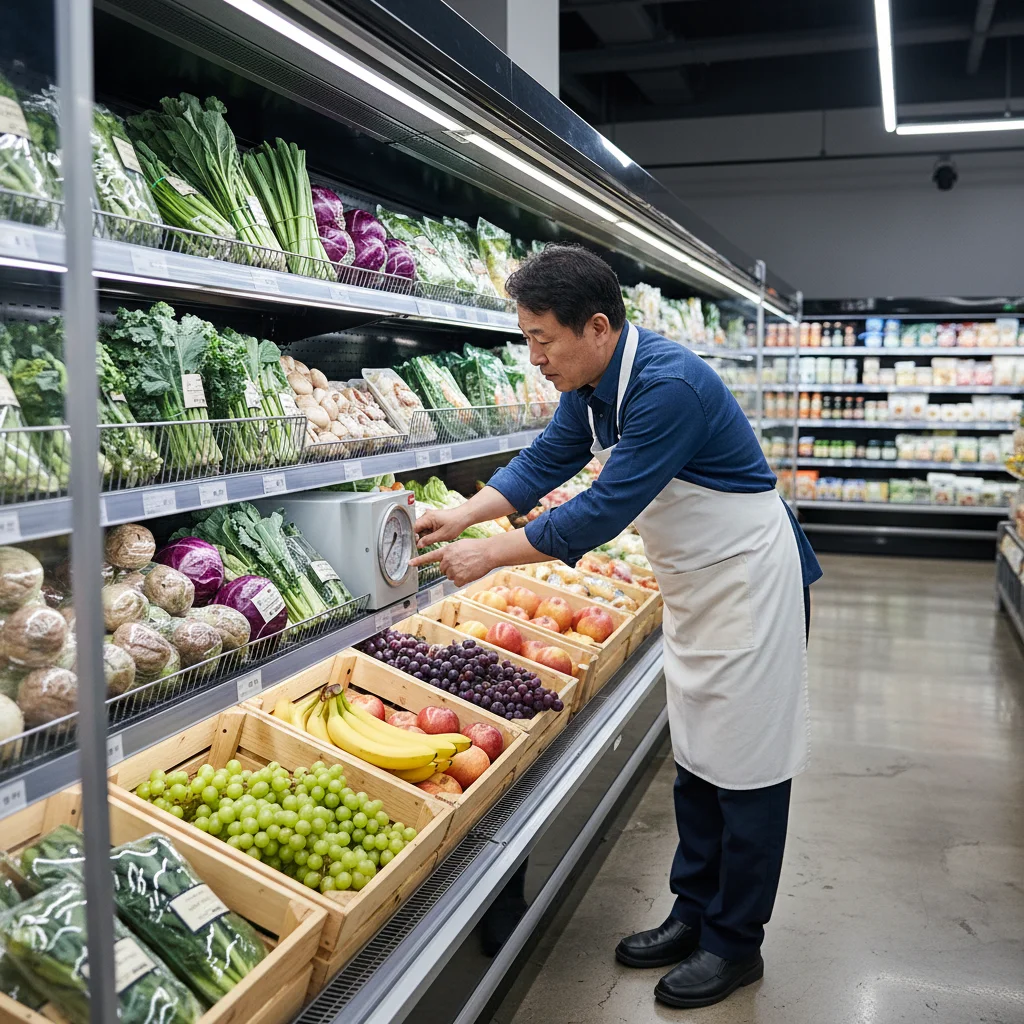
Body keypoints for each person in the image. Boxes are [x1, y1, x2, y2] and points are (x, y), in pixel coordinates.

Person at [410, 244, 821, 1009]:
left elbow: (604, 510)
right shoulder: (596, 382)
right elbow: (546, 461)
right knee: (699, 756)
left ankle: (737, 943)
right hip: (698, 587)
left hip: (752, 585)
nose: (534, 356)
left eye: (542, 338)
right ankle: (691, 911)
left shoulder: (668, 386)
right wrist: (462, 513)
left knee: (751, 770)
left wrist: (490, 556)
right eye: (526, 339)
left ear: (596, 326)